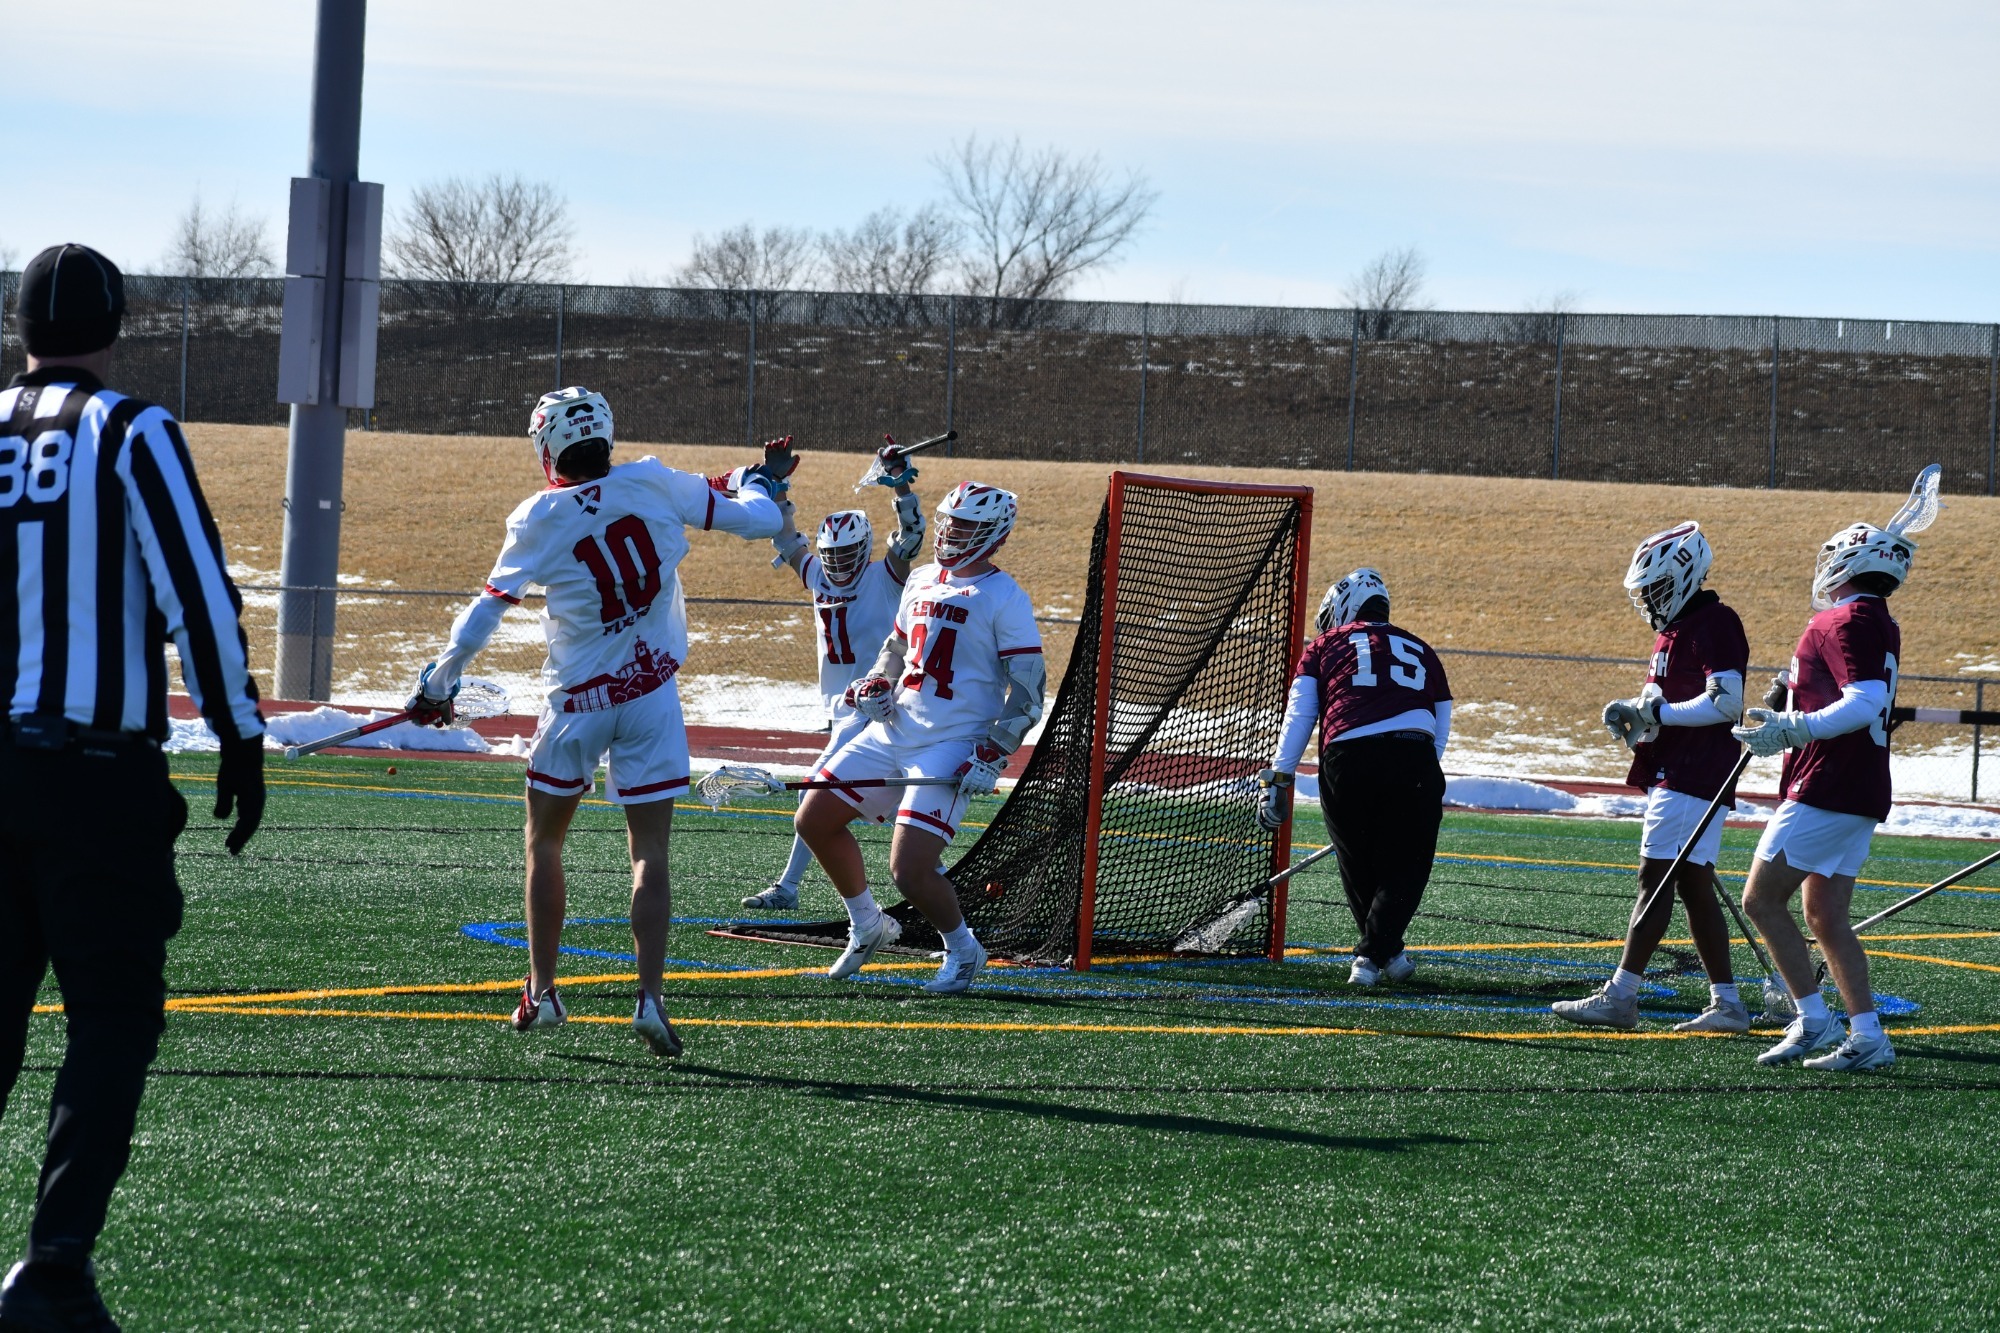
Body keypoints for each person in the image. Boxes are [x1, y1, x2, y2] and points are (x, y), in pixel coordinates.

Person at [0, 244, 265, 1331]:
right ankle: (54, 1265)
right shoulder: (131, 429)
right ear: (117, 322)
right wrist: (239, 733)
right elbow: (194, 590)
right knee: (111, 1018)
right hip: (90, 772)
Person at [412, 388, 788, 1057]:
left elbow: (484, 614)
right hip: (651, 698)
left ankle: (544, 989)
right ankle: (648, 996)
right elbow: (754, 520)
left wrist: (439, 683)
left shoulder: (539, 515)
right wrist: (755, 484)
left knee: (545, 845)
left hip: (577, 703)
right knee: (650, 856)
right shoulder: (650, 479)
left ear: (546, 445)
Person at [794, 481, 1045, 994]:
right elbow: (896, 646)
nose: (952, 532)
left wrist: (994, 752)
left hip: (952, 743)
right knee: (813, 819)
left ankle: (963, 949)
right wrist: (876, 683)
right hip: (895, 728)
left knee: (909, 870)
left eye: (967, 525)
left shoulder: (1005, 596)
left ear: (995, 533)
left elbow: (1028, 689)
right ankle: (868, 924)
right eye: (950, 521)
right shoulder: (923, 578)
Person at [1552, 522, 1751, 1032]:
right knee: (1692, 885)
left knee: (1655, 878)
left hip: (1693, 771)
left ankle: (1621, 996)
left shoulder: (1715, 622)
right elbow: (1666, 706)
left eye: (1655, 587)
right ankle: (1727, 1003)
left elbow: (1725, 703)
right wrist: (1636, 717)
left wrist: (1659, 716)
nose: (1647, 599)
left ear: (1684, 574)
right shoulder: (1677, 630)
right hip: (1683, 768)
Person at [1734, 521, 1913, 1072]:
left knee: (1760, 901)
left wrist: (1792, 727)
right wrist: (1792, 700)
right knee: (1825, 916)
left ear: (1847, 564)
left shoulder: (1844, 619)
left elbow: (1862, 703)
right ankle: (1867, 1036)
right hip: (1857, 784)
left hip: (1828, 783)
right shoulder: (1876, 619)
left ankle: (1813, 1018)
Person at [742, 444, 924, 910]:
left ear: (864, 549)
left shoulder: (885, 575)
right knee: (879, 798)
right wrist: (778, 489)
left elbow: (911, 532)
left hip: (880, 702)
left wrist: (900, 482)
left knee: (822, 790)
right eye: (832, 555)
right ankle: (928, 877)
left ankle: (790, 887)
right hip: (841, 707)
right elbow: (788, 542)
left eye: (847, 555)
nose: (839, 565)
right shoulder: (818, 575)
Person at [1257, 568, 1450, 986]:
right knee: (1408, 864)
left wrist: (1279, 779)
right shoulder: (1422, 648)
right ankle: (1383, 953)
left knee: (1357, 861)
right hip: (1415, 756)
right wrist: (1420, 774)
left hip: (1348, 756)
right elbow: (1440, 722)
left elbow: (1300, 714)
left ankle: (1374, 954)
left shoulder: (1323, 645)